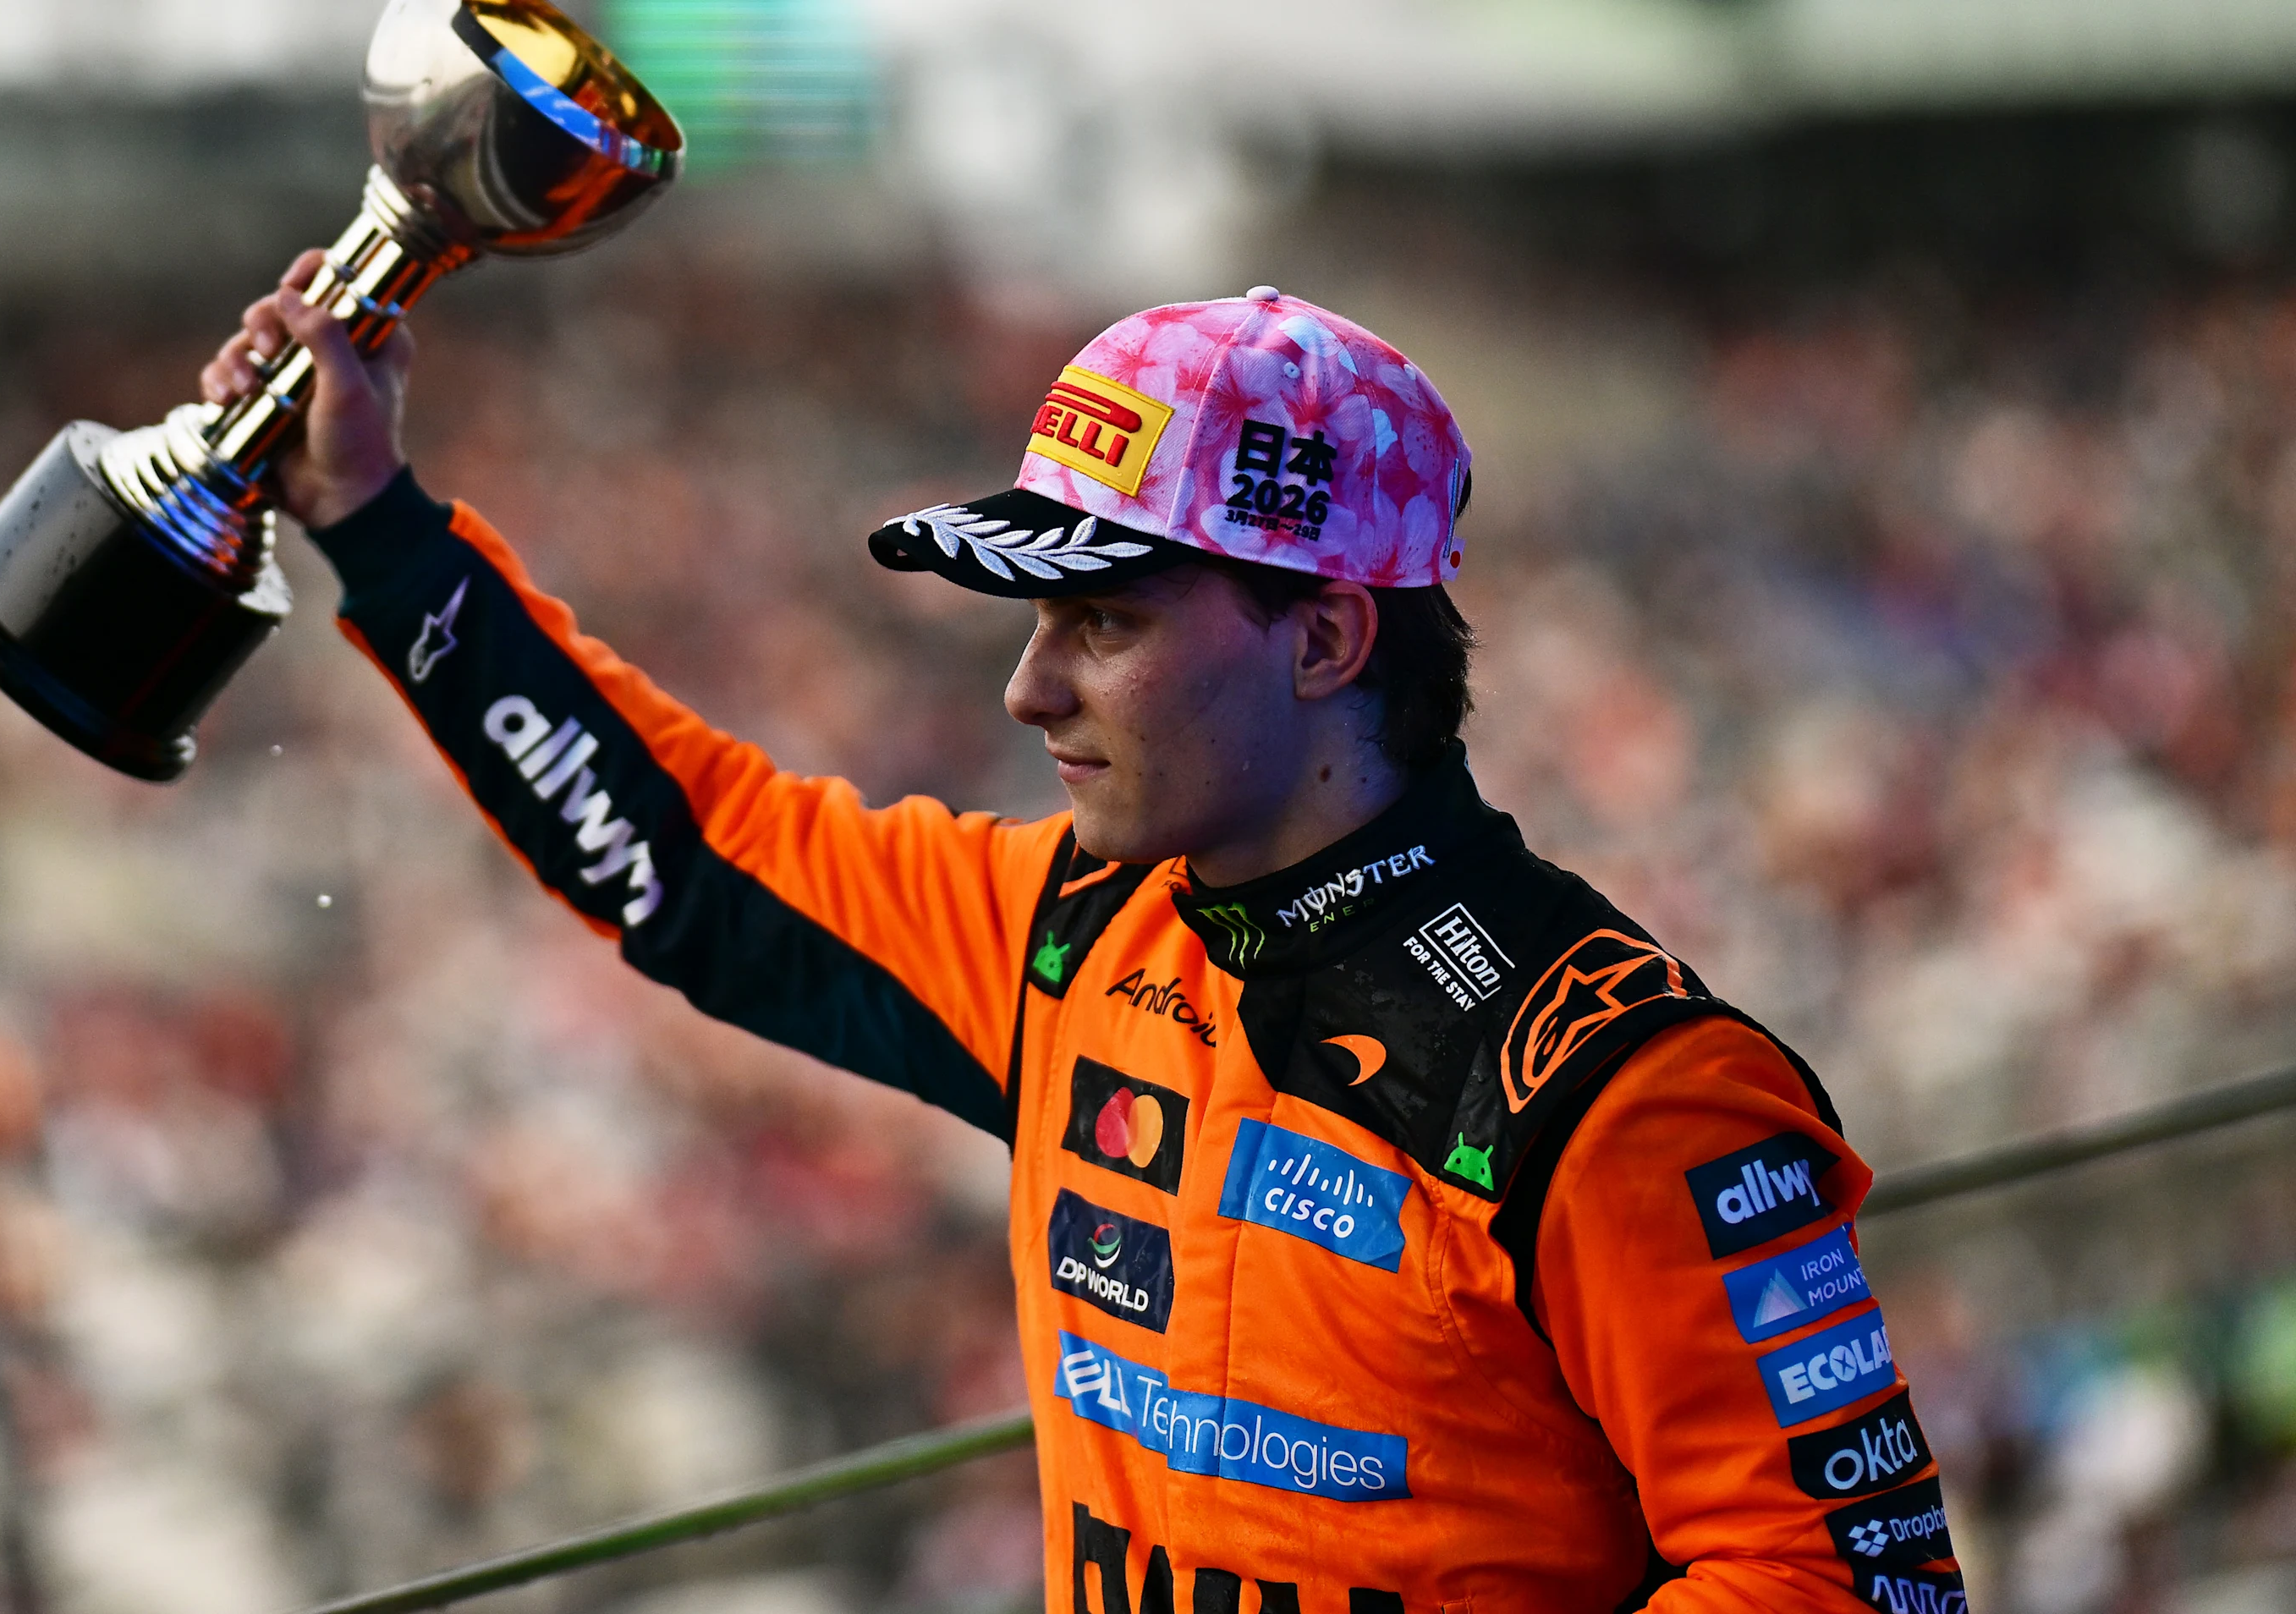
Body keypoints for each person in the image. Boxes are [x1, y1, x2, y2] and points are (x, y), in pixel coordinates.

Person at [204, 252, 1961, 1614]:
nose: (1026, 683)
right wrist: (370, 520)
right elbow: (684, 855)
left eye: (1101, 620)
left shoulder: (1622, 1088)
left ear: (1329, 639)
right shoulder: (1070, 928)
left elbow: (1846, 1583)